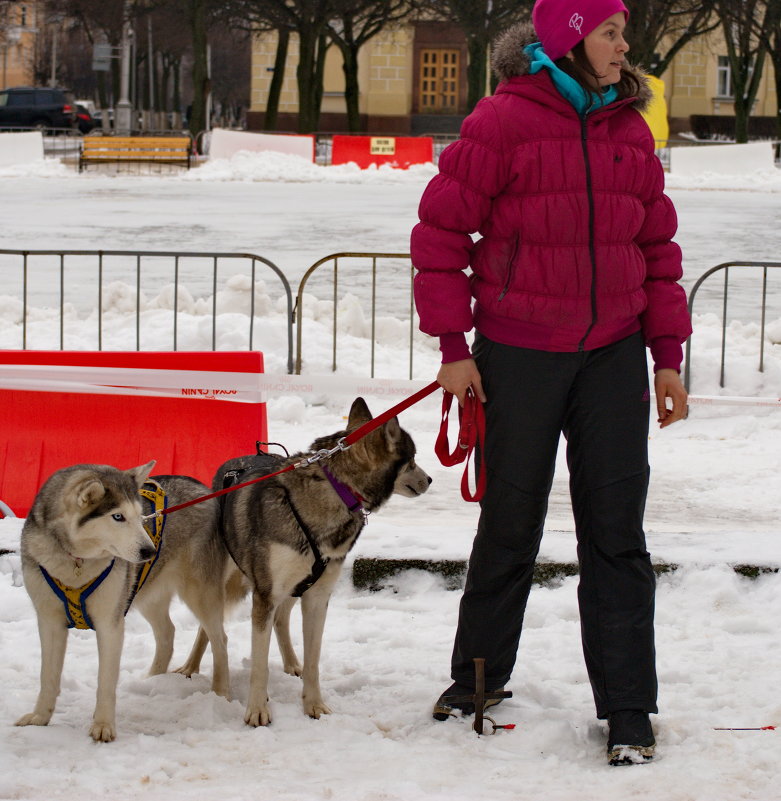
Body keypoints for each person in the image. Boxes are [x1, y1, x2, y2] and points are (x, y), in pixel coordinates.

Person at [410, 0, 692, 765]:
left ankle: (628, 707)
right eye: (608, 31)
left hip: (611, 358)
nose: (622, 44)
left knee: (617, 534)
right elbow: (439, 234)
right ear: (568, 41)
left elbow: (657, 248)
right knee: (508, 522)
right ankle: (476, 678)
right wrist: (451, 344)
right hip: (517, 352)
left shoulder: (630, 127)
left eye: (620, 30)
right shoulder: (501, 122)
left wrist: (666, 355)